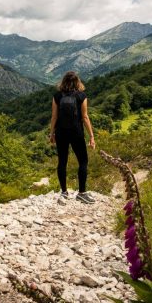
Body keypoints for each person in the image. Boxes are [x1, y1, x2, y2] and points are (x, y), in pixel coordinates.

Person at [49, 71, 96, 204]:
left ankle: (64, 192)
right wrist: (91, 136)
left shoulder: (57, 96)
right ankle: (81, 193)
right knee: (83, 161)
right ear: (78, 82)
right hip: (76, 132)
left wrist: (51, 133)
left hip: (61, 133)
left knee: (62, 161)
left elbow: (54, 116)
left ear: (63, 82)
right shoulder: (82, 96)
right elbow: (85, 117)